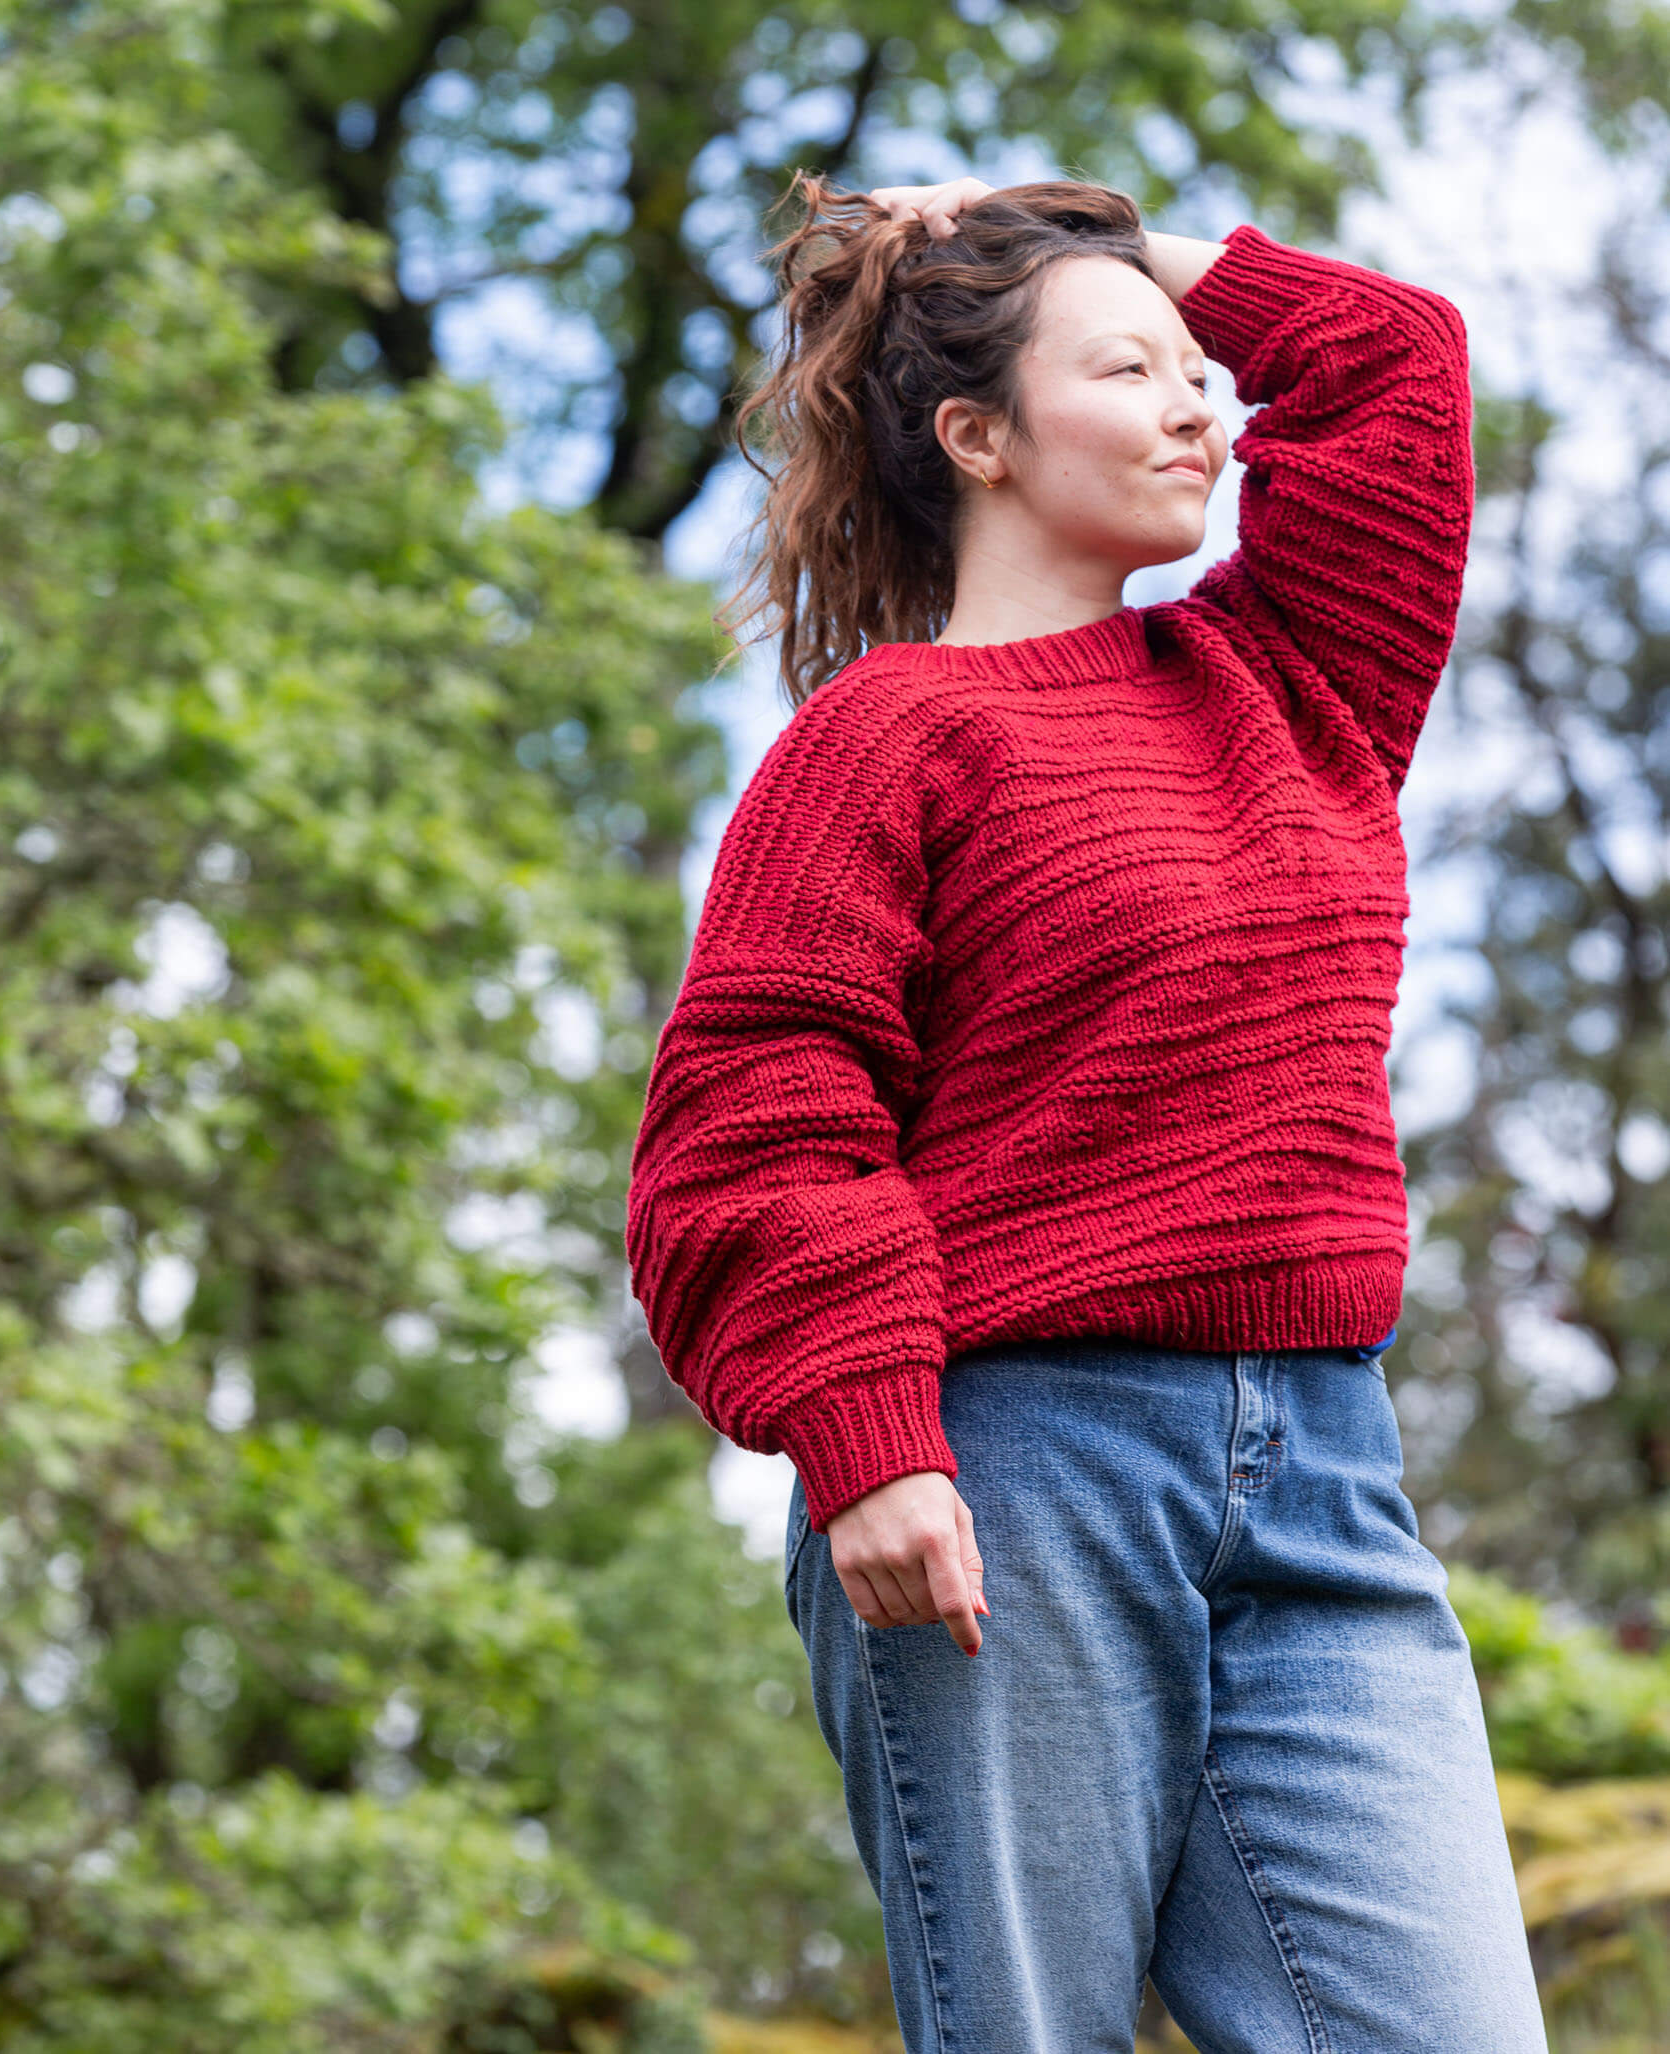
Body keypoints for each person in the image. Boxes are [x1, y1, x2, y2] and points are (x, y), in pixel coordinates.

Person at [625, 172, 1548, 2053]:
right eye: (1135, 369)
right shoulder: (881, 738)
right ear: (975, 433)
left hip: (1329, 1473)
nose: (1205, 402)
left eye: (1204, 369)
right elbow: (760, 1118)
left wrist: (1071, 235)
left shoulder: (1294, 680)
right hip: (1012, 1470)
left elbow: (1398, 367)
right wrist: (873, 1440)